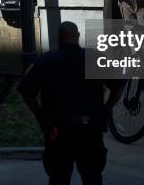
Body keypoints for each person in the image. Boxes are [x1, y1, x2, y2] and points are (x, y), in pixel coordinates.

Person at [18, 22, 123, 185]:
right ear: (78, 37)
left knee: (59, 178)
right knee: (92, 177)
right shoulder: (94, 58)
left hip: (59, 131)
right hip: (90, 130)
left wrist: (41, 117)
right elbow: (118, 87)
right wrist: (105, 109)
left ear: (58, 39)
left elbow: (25, 90)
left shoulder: (46, 61)